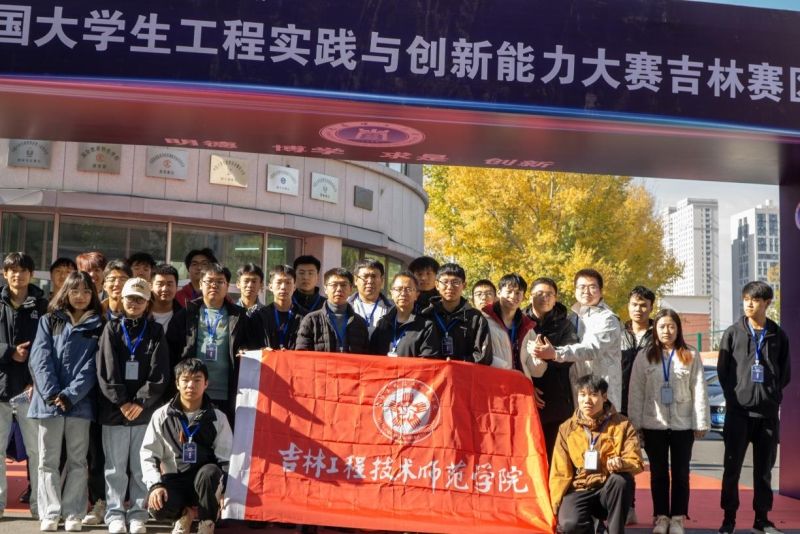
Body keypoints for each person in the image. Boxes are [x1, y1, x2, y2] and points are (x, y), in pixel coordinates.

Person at [29, 271, 104, 532]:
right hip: (48, 403)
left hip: (79, 404)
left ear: (93, 294)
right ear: (66, 292)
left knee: (78, 461)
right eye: (75, 290)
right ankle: (50, 512)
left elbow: (94, 366)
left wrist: (71, 394)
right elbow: (40, 358)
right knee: (47, 460)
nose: (80, 296)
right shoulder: (49, 320)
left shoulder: (99, 324)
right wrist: (52, 394)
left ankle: (73, 512)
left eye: (86, 291)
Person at [96, 278, 170, 534]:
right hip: (114, 410)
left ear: (147, 303)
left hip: (144, 412)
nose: (134, 303)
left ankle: (139, 513)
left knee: (141, 468)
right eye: (130, 298)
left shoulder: (155, 331)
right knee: (115, 468)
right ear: (122, 299)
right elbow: (106, 369)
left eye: (140, 299)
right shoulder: (111, 328)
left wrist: (140, 402)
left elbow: (160, 372)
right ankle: (115, 514)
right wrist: (122, 401)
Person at [717, 281, 790, 534]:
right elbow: (723, 370)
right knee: (732, 469)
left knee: (764, 472)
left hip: (767, 415)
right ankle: (728, 520)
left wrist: (772, 395)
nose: (749, 304)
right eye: (746, 298)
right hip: (738, 414)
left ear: (767, 303)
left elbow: (785, 373)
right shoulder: (732, 333)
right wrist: (734, 397)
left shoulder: (778, 335)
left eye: (755, 300)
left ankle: (762, 520)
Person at [628, 309, 709, 534]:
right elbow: (636, 391)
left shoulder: (690, 354)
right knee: (658, 473)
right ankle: (661, 516)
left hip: (683, 424)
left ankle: (678, 518)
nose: (667, 331)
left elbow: (699, 389)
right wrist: (635, 425)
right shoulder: (644, 356)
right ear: (655, 329)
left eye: (671, 326)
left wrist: (701, 421)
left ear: (678, 329)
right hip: (653, 424)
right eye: (662, 326)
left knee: (681, 473)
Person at [141, 359, 232, 534]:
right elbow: (148, 454)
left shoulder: (218, 417)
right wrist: (155, 485)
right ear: (177, 383)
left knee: (210, 472)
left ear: (206, 384)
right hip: (175, 480)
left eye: (197, 380)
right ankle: (184, 515)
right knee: (156, 507)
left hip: (205, 483)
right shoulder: (161, 415)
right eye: (185, 380)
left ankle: (207, 522)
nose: (191, 385)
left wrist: (225, 490)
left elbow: (226, 459)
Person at [550, 374, 643, 534]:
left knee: (621, 481)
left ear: (604, 397)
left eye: (593, 394)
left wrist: (621, 463)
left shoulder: (622, 424)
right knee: (569, 524)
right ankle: (595, 527)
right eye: (582, 395)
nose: (587, 400)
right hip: (579, 488)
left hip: (607, 488)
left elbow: (636, 461)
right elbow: (559, 471)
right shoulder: (567, 428)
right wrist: (555, 505)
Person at [167, 264, 249, 423]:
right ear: (200, 284)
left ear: (227, 286)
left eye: (220, 282)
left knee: (224, 436)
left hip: (228, 394)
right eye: (209, 281)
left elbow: (250, 347)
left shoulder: (240, 316)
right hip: (192, 393)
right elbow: (171, 352)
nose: (214, 285)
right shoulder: (185, 315)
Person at [533, 269, 624, 410]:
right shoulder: (572, 318)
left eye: (592, 287)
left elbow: (591, 349)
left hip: (602, 393)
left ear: (601, 291)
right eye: (582, 287)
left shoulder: (607, 319)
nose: (586, 291)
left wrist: (556, 353)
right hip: (577, 393)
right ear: (575, 290)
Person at [0, 252, 48, 519]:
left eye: (23, 270)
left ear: (31, 274)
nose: (18, 275)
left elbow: (51, 347)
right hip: (0, 388)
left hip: (32, 390)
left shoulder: (43, 306)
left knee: (37, 451)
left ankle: (40, 507)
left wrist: (37, 382)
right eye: (12, 270)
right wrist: (9, 352)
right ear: (4, 273)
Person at [523, 277, 578, 460]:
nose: (544, 298)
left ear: (555, 298)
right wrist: (527, 384)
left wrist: (548, 355)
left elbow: (570, 357)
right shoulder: (520, 322)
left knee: (556, 457)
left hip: (556, 398)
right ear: (530, 296)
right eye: (539, 293)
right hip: (526, 394)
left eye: (549, 294)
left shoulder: (565, 324)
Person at [417, 263, 492, 364]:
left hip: (463, 372)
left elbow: (483, 356)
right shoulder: (425, 315)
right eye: (445, 282)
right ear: (437, 285)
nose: (450, 287)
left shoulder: (476, 318)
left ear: (464, 285)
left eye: (455, 282)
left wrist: (456, 364)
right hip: (433, 372)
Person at [296, 268, 369, 353]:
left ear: (350, 289)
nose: (339, 289)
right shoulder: (311, 320)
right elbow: (302, 354)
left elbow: (366, 357)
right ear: (325, 289)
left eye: (344, 285)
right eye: (334, 285)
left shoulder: (359, 323)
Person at [482, 273, 536, 373]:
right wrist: (508, 370)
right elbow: (480, 354)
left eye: (518, 293)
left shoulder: (527, 326)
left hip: (520, 380)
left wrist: (539, 357)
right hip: (493, 378)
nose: (513, 296)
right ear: (499, 293)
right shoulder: (484, 320)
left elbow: (536, 372)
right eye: (509, 291)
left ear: (523, 297)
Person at [369, 271, 426, 356]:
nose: (403, 293)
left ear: (417, 295)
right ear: (392, 293)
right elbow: (372, 356)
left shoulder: (426, 326)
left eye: (408, 289)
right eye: (398, 289)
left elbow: (428, 360)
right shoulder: (382, 324)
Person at [251, 265, 304, 350]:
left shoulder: (305, 317)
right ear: (270, 287)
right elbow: (252, 345)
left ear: (294, 287)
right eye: (279, 282)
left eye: (288, 283)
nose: (283, 287)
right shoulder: (259, 316)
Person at [621, 286, 655, 416]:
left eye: (643, 305)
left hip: (650, 402)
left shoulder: (659, 337)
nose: (638, 309)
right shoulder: (618, 335)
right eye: (634, 304)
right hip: (621, 402)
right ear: (628, 306)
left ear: (651, 308)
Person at [348, 258, 392, 336]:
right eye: (365, 276)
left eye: (374, 276)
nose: (370, 281)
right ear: (355, 280)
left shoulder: (393, 309)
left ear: (382, 280)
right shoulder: (345, 306)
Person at [149, 264, 182, 331]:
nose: (164, 289)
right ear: (151, 286)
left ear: (176, 287)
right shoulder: (141, 313)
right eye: (160, 284)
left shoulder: (184, 316)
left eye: (169, 284)